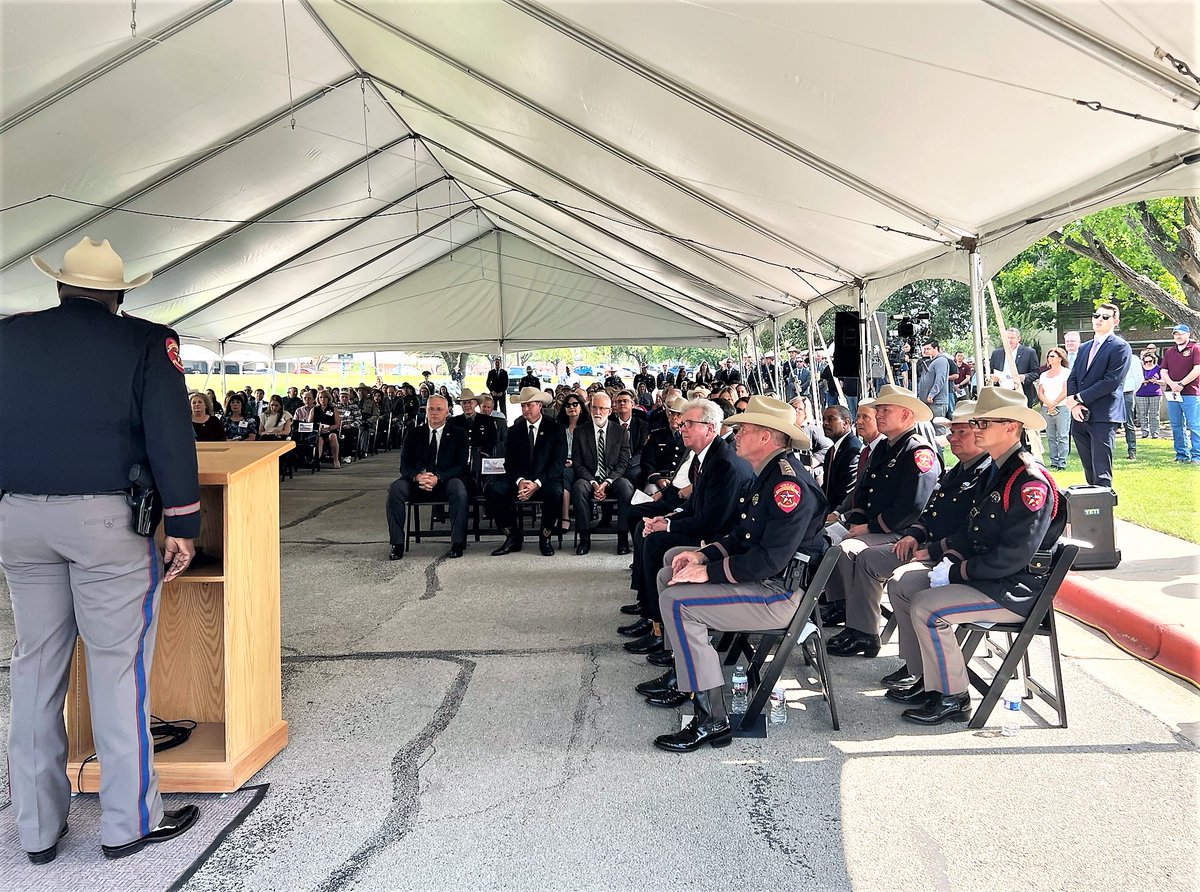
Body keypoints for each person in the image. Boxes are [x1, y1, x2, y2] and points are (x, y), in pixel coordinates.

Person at [0, 236, 200, 862]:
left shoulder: (8, 336)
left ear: (60, 286)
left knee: (35, 668)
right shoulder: (145, 341)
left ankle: (36, 829)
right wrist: (184, 522)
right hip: (106, 522)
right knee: (117, 671)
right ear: (118, 296)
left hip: (18, 516)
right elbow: (169, 433)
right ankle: (127, 823)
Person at [640, 396, 827, 752]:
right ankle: (684, 674)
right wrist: (701, 555)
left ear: (766, 436)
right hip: (762, 581)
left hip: (777, 594)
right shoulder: (768, 474)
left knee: (678, 602)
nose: (735, 435)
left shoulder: (787, 486)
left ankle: (711, 719)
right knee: (671, 570)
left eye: (743, 429)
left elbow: (767, 560)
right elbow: (742, 537)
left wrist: (707, 573)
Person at [885, 387, 1065, 724]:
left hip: (1011, 588)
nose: (976, 429)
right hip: (987, 577)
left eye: (983, 423)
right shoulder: (998, 471)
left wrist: (957, 572)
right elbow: (972, 531)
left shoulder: (1029, 480)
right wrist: (942, 555)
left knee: (927, 607)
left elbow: (1014, 556)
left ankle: (952, 696)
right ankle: (926, 677)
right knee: (904, 584)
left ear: (1011, 427)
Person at [837, 401, 993, 660]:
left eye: (961, 432)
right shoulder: (958, 469)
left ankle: (916, 666)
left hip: (944, 552)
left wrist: (927, 546)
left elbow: (914, 507)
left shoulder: (926, 453)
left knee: (891, 574)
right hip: (920, 541)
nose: (952, 438)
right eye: (952, 432)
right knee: (864, 557)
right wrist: (914, 535)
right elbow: (930, 511)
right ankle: (863, 630)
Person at [621, 398, 753, 655]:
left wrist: (668, 527)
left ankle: (659, 628)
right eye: (682, 424)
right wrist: (667, 519)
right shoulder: (704, 457)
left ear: (710, 428)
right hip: (709, 526)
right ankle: (650, 615)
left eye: (689, 424)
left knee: (656, 541)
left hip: (721, 537)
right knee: (647, 530)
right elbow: (694, 505)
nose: (682, 428)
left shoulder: (723, 463)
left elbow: (712, 521)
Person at [822, 385, 940, 651]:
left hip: (903, 532)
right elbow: (863, 490)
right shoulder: (885, 447)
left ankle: (864, 632)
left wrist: (870, 527)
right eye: (879, 410)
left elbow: (912, 506)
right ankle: (847, 613)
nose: (879, 415)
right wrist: (857, 520)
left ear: (906, 415)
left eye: (885, 410)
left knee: (850, 550)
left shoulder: (918, 451)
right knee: (835, 543)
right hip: (876, 528)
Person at [386, 395, 470, 560]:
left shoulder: (459, 434)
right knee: (395, 489)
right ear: (426, 411)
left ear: (447, 412)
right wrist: (418, 476)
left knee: (459, 488)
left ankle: (457, 542)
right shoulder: (414, 433)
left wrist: (438, 477)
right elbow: (404, 466)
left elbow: (461, 466)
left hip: (445, 481)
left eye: (439, 409)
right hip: (418, 482)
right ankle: (397, 543)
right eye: (431, 409)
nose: (434, 412)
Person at [487, 386, 567, 557]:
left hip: (545, 479)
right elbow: (509, 463)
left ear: (539, 405)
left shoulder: (555, 428)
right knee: (493, 491)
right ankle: (512, 536)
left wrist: (537, 483)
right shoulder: (514, 430)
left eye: (529, 405)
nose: (525, 409)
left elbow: (557, 463)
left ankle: (545, 537)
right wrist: (520, 481)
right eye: (523, 406)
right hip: (520, 479)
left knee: (555, 492)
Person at [1064, 303, 1132, 487]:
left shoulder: (1120, 347)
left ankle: (1103, 501)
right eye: (1096, 315)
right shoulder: (1084, 347)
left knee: (1101, 470)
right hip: (1079, 415)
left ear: (1115, 321)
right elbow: (1073, 377)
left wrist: (1078, 398)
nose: (1099, 320)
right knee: (1089, 468)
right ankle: (1092, 501)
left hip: (1103, 415)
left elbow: (1111, 381)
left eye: (1105, 317)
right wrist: (1074, 403)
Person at [571, 391, 633, 555]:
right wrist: (593, 482)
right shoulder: (580, 432)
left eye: (602, 408)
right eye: (594, 408)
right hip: (589, 478)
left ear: (610, 410)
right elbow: (578, 464)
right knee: (578, 488)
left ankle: (622, 539)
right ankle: (584, 538)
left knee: (626, 487)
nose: (597, 412)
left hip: (612, 479)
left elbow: (623, 463)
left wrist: (606, 482)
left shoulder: (620, 432)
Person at [1158, 323, 1200, 463]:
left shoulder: (1195, 348)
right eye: (1176, 334)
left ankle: (1197, 456)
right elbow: (1163, 371)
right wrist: (1172, 384)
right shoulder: (1169, 351)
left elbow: (1197, 369)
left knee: (1194, 425)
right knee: (1176, 425)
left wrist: (1181, 384)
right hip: (1173, 393)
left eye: (1181, 333)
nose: (1178, 336)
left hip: (1191, 393)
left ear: (1188, 334)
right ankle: (1181, 455)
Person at [820, 405, 863, 509]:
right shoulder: (831, 451)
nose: (825, 423)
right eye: (824, 419)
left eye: (831, 419)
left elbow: (847, 490)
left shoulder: (853, 449)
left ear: (846, 423)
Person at [1035, 347, 1071, 470]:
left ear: (1060, 358)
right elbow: (1040, 392)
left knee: (1062, 435)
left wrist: (1054, 403)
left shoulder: (1066, 372)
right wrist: (1048, 404)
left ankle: (1062, 462)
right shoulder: (1044, 375)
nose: (1049, 358)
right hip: (1047, 407)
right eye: (1048, 356)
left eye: (1052, 356)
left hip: (1062, 406)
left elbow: (1065, 391)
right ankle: (1053, 461)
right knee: (1050, 436)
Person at [988, 328, 1041, 407]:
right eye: (1007, 338)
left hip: (1021, 394)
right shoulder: (996, 353)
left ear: (1018, 339)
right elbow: (991, 371)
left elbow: (1036, 372)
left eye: (1012, 338)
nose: (1009, 340)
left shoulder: (1029, 352)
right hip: (1001, 394)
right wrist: (993, 378)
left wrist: (1025, 377)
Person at [917, 340, 952, 420]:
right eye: (924, 349)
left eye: (928, 349)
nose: (926, 351)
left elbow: (940, 379)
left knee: (937, 425)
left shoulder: (941, 361)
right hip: (930, 402)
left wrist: (931, 395)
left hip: (937, 402)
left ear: (936, 348)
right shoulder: (931, 361)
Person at [1135, 350, 1163, 440]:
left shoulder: (1158, 368)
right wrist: (1141, 381)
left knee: (1154, 414)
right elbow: (1134, 379)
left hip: (1155, 393)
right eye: (1146, 361)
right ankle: (1144, 432)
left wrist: (1156, 381)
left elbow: (1164, 381)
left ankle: (1155, 433)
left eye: (1150, 361)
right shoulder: (1139, 369)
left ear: (1153, 360)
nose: (1147, 363)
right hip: (1141, 393)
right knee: (1143, 414)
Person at [313, 390, 341, 468]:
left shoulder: (333, 409)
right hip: (319, 432)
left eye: (325, 397)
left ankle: (336, 460)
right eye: (321, 397)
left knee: (333, 436)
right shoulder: (314, 409)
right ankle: (316, 460)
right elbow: (310, 424)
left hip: (331, 431)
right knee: (319, 439)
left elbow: (337, 424)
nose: (323, 399)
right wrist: (318, 429)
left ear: (328, 399)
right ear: (318, 399)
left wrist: (329, 428)